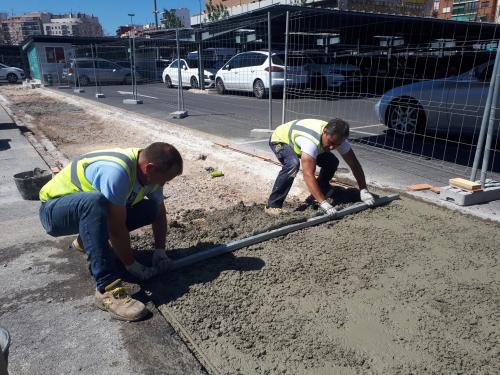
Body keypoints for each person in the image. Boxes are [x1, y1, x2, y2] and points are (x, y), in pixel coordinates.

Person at [38, 142, 183, 321]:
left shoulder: (149, 174)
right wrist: (132, 265)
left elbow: (159, 213)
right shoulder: (117, 172)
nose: (164, 183)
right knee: (94, 202)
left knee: (150, 208)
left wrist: (160, 251)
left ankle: (85, 241)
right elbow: (116, 227)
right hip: (54, 211)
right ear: (150, 168)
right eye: (164, 179)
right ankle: (105, 288)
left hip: (87, 213)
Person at [265, 118, 375, 215]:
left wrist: (363, 189)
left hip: (304, 143)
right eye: (330, 142)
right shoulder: (310, 142)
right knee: (292, 164)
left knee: (331, 161)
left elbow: (354, 164)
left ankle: (322, 189)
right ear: (324, 132)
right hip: (281, 140)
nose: (332, 147)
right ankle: (273, 205)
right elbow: (308, 174)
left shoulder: (338, 139)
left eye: (336, 145)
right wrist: (324, 203)